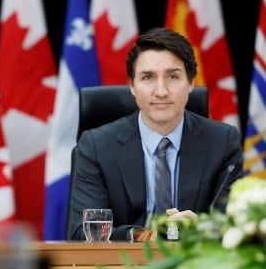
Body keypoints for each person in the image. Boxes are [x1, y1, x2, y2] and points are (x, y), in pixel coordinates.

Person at [68, 27, 243, 241]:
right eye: (148, 77)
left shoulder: (223, 143)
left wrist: (203, 228)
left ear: (191, 83)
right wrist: (149, 236)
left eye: (173, 76)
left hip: (196, 267)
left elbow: (235, 227)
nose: (161, 91)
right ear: (132, 86)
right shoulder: (95, 146)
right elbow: (82, 234)